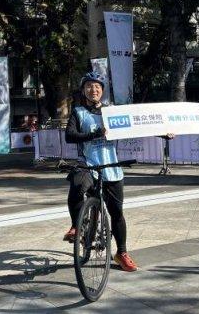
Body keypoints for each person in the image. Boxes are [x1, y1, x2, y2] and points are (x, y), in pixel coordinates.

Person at [63, 71, 138, 272]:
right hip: (88, 164)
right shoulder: (78, 112)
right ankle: (76, 226)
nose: (93, 89)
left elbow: (137, 127)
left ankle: (121, 253)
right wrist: (95, 133)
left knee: (117, 213)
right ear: (83, 90)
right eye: (89, 86)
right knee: (77, 185)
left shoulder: (112, 112)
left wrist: (164, 133)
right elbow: (70, 136)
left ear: (102, 91)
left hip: (111, 166)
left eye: (97, 86)